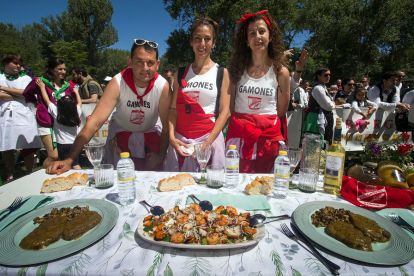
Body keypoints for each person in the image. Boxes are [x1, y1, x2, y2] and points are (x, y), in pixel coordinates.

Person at [46, 39, 171, 174]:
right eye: (139, 61)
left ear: (157, 64)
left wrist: (160, 154)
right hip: (123, 135)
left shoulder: (162, 86)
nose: (145, 68)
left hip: (151, 135)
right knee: (123, 181)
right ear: (129, 61)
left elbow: (166, 125)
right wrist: (69, 160)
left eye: (150, 63)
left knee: (152, 181)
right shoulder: (117, 82)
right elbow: (93, 123)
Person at [226, 10, 290, 173]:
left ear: (270, 36)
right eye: (252, 33)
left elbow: (281, 111)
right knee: (237, 186)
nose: (257, 37)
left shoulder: (281, 72)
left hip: (268, 140)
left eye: (262, 31)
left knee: (265, 187)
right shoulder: (236, 70)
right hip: (239, 138)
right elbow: (230, 106)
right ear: (246, 40)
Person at [166, 17, 230, 172]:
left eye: (207, 39)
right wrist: (171, 137)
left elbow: (224, 112)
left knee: (210, 190)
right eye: (197, 38)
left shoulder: (221, 73)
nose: (202, 44)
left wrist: (207, 143)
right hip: (181, 142)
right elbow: (173, 110)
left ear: (214, 43)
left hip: (209, 140)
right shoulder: (180, 73)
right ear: (191, 41)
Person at [23, 57, 78, 169]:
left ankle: (53, 177)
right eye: (59, 69)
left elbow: (73, 103)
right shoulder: (40, 82)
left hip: (61, 125)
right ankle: (39, 174)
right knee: (53, 156)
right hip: (46, 122)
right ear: (52, 69)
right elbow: (27, 93)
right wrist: (37, 104)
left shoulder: (68, 87)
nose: (63, 72)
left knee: (60, 157)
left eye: (64, 69)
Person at [0, 53, 42, 182]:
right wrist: (20, 94)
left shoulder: (26, 78)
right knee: (7, 145)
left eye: (20, 63)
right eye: (15, 63)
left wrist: (3, 89)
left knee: (27, 143)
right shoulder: (0, 77)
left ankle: (29, 172)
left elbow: (27, 93)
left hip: (24, 113)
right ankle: (11, 172)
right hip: (5, 114)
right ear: (6, 63)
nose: (18, 66)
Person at [36, 79, 82, 169]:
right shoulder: (76, 111)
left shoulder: (57, 113)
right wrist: (76, 92)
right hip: (75, 143)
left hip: (62, 144)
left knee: (66, 165)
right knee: (74, 163)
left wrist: (42, 87)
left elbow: (46, 100)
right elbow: (80, 103)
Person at [302, 67, 335, 144]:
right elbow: (328, 106)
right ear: (319, 76)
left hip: (320, 116)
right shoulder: (318, 88)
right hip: (315, 117)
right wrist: (333, 104)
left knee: (321, 140)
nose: (328, 77)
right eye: (326, 75)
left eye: (329, 75)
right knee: (314, 141)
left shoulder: (323, 87)